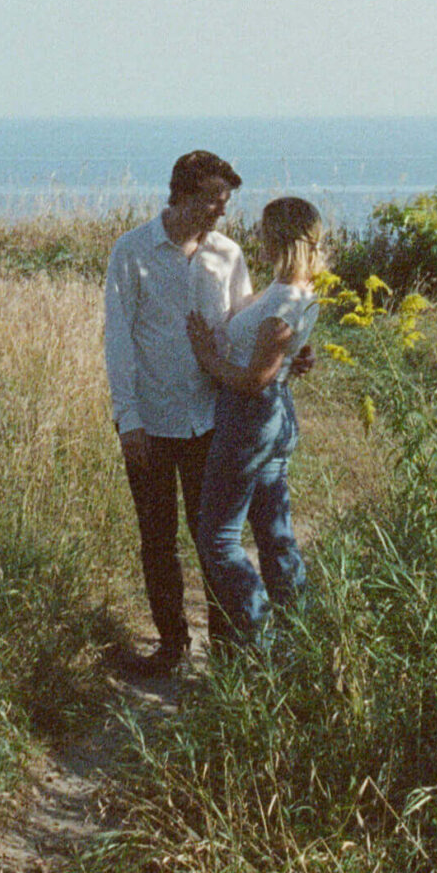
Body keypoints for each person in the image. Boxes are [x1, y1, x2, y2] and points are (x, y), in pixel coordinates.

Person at [102, 148, 249, 677]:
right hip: (151, 424)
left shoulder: (228, 255)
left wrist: (286, 352)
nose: (222, 211)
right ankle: (171, 646)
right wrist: (128, 418)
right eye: (213, 199)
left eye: (225, 200)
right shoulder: (132, 251)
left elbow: (241, 325)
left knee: (213, 536)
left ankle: (227, 649)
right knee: (157, 537)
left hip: (210, 418)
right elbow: (117, 338)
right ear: (183, 195)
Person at [186, 194, 323, 651]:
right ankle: (299, 637)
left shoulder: (285, 302)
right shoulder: (292, 289)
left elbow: (251, 381)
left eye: (265, 233)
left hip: (251, 418)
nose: (258, 240)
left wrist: (208, 359)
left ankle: (264, 644)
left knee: (218, 539)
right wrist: (289, 358)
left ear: (280, 239)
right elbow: (272, 359)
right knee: (274, 531)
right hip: (272, 417)